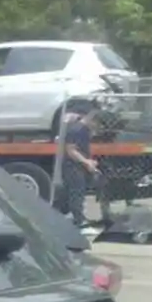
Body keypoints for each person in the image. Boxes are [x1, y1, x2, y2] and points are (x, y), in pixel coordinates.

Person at [58, 97, 100, 229]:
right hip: (72, 167)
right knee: (76, 193)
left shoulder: (84, 130)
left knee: (76, 193)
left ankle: (74, 218)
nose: (97, 128)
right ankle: (79, 221)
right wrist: (86, 162)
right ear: (92, 120)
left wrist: (89, 161)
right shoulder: (77, 130)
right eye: (97, 124)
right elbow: (71, 150)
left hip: (78, 166)